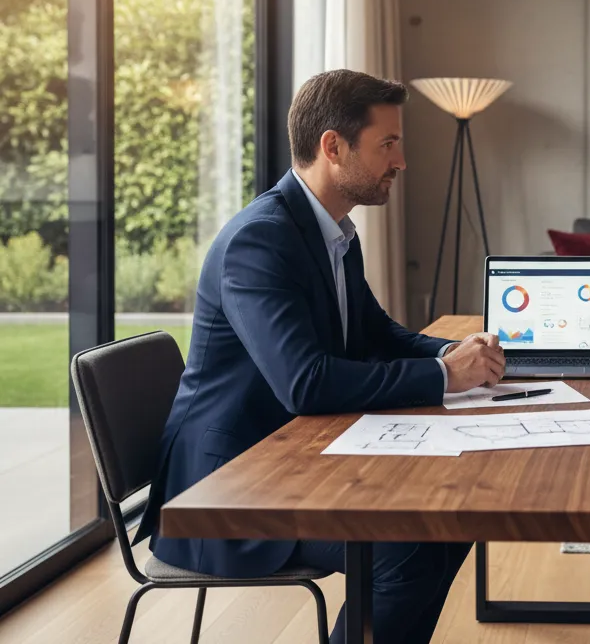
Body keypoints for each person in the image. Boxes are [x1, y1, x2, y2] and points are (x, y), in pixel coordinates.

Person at [137, 70, 506, 644]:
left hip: (293, 460)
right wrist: (442, 376)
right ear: (333, 147)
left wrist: (457, 355)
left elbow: (376, 332)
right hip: (223, 493)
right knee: (408, 546)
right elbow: (305, 384)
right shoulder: (258, 242)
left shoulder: (333, 231)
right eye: (388, 144)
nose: (402, 161)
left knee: (447, 521)